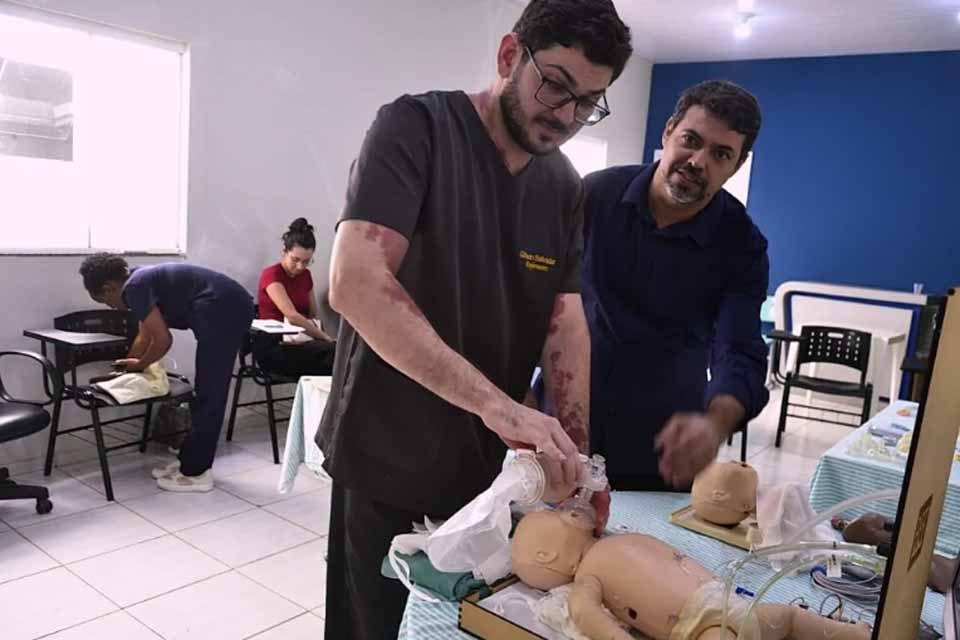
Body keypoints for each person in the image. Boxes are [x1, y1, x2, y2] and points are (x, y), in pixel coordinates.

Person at [316, 1, 633, 637]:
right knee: (376, 627)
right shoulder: (416, 128)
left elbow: (564, 328)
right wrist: (503, 408)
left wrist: (578, 460)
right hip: (388, 451)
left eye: (590, 101)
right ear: (510, 56)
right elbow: (356, 283)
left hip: (490, 471)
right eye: (557, 86)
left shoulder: (563, 185)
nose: (568, 115)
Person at [579, 80, 770, 491]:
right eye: (691, 140)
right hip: (567, 416)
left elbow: (738, 348)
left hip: (666, 442)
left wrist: (714, 425)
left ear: (737, 165)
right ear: (668, 132)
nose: (698, 161)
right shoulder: (593, 196)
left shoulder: (742, 243)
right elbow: (536, 299)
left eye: (721, 154)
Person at [512, 509, 872, 640]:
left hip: (715, 610)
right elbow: (586, 614)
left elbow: (670, 558)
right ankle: (850, 635)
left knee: (789, 618)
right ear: (547, 556)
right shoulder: (588, 576)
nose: (570, 511)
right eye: (559, 515)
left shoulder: (609, 547)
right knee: (787, 621)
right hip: (709, 618)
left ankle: (853, 634)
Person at [79, 254, 254, 492]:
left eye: (105, 301)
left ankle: (197, 473)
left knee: (210, 393)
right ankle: (189, 462)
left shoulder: (136, 287)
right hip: (225, 306)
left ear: (109, 287)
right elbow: (145, 335)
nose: (110, 307)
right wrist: (125, 368)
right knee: (206, 392)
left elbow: (163, 340)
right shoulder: (138, 281)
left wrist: (140, 365)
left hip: (226, 310)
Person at [253, 217, 336, 377]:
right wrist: (325, 338)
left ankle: (329, 399)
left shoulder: (306, 276)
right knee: (334, 355)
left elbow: (312, 315)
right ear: (284, 251)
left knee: (339, 356)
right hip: (274, 345)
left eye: (306, 262)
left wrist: (321, 337)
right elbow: (291, 315)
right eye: (295, 260)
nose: (300, 267)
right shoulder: (272, 274)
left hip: (300, 342)